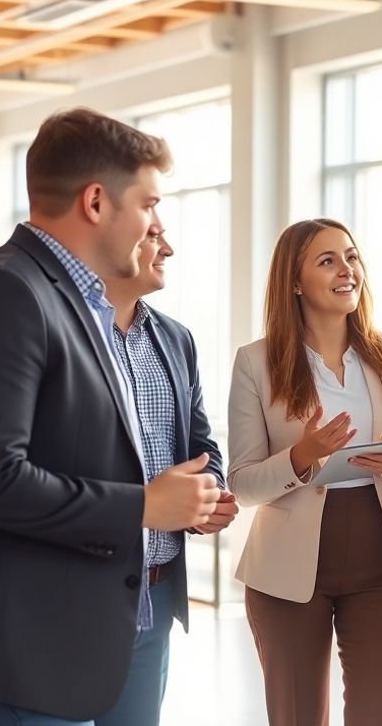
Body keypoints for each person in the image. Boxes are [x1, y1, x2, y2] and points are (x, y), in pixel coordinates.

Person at [0, 108, 220, 725]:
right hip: (23, 648)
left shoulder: (84, 304)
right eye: (149, 204)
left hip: (110, 624)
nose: (157, 226)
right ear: (97, 202)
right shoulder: (4, 293)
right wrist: (142, 506)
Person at [227, 218, 382, 726]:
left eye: (351, 256)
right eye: (328, 260)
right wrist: (303, 456)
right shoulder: (256, 362)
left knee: (375, 717)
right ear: (294, 282)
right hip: (288, 564)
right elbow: (242, 480)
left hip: (380, 557)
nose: (347, 270)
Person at [97, 214, 239, 725]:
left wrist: (210, 494)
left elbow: (202, 445)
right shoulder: (68, 331)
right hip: (81, 590)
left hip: (154, 593)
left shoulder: (176, 339)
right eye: (155, 234)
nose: (169, 248)